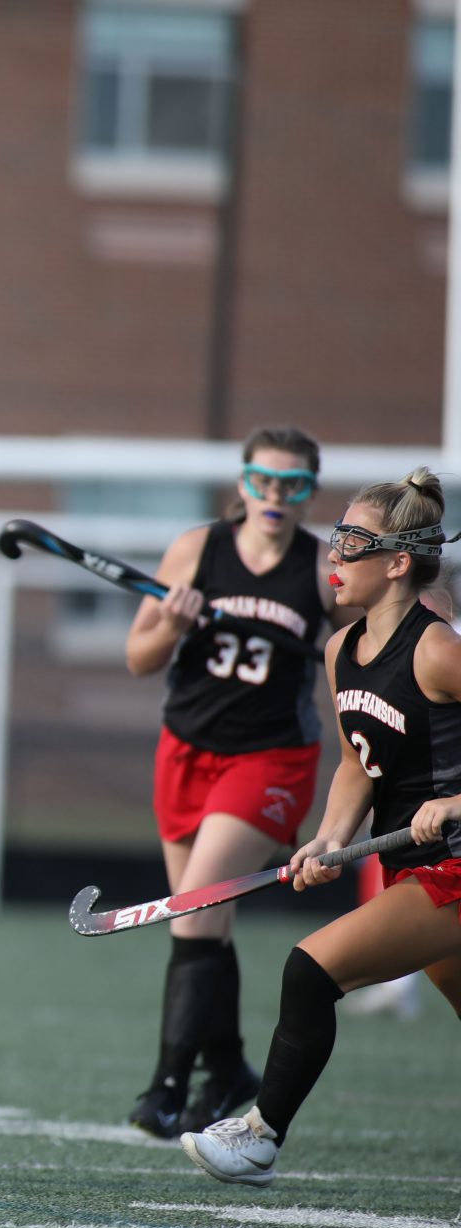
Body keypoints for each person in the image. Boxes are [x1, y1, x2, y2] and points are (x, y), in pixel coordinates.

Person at [182, 468, 461, 1186]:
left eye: (353, 541)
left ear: (399, 561)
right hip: (409, 862)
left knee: (310, 968)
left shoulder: (438, 651)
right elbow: (357, 764)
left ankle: (260, 1135)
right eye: (336, 536)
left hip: (453, 865)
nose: (333, 554)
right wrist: (331, 837)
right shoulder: (343, 650)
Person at [121, 427, 356, 1139]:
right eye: (263, 482)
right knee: (206, 925)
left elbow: (361, 657)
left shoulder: (323, 570)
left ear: (311, 491)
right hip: (186, 750)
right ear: (243, 482)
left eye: (294, 486)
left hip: (269, 761)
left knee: (192, 910)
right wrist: (171, 622)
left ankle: (165, 1087)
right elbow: (139, 656)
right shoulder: (198, 550)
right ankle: (227, 1069)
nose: (276, 498)